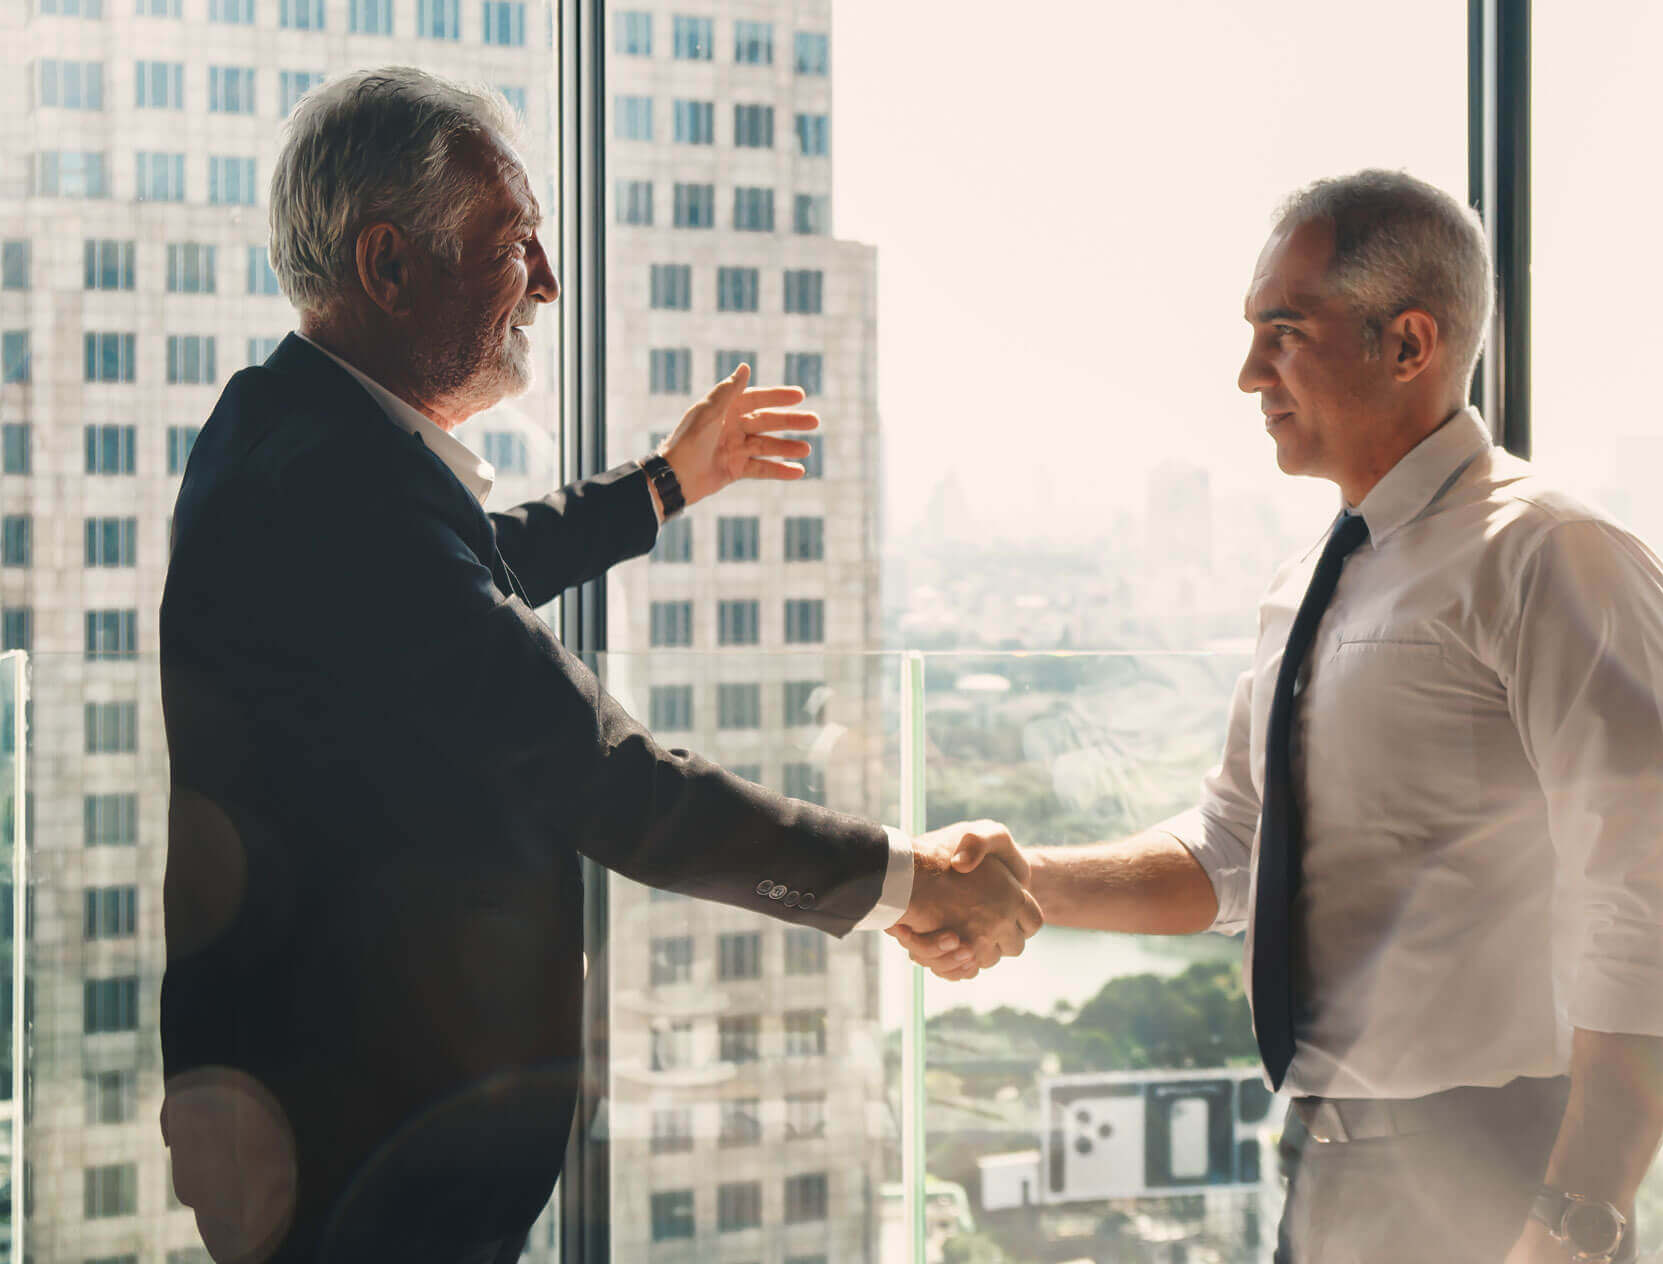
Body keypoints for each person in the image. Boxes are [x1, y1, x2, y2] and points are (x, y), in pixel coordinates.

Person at [159, 66, 1038, 1264]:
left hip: (325, 1132)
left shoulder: (286, 434)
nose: (549, 283)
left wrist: (664, 483)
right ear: (389, 264)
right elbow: (608, 775)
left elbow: (463, 574)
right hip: (365, 1171)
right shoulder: (336, 488)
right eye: (517, 244)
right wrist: (903, 880)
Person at [892, 170, 1663, 1264]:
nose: (1249, 372)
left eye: (1283, 334)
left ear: (1409, 344)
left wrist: (1575, 1222)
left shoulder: (1555, 559)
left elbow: (1657, 916)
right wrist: (1027, 881)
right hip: (1326, 1164)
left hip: (1495, 1170)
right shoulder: (1310, 582)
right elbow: (1237, 849)